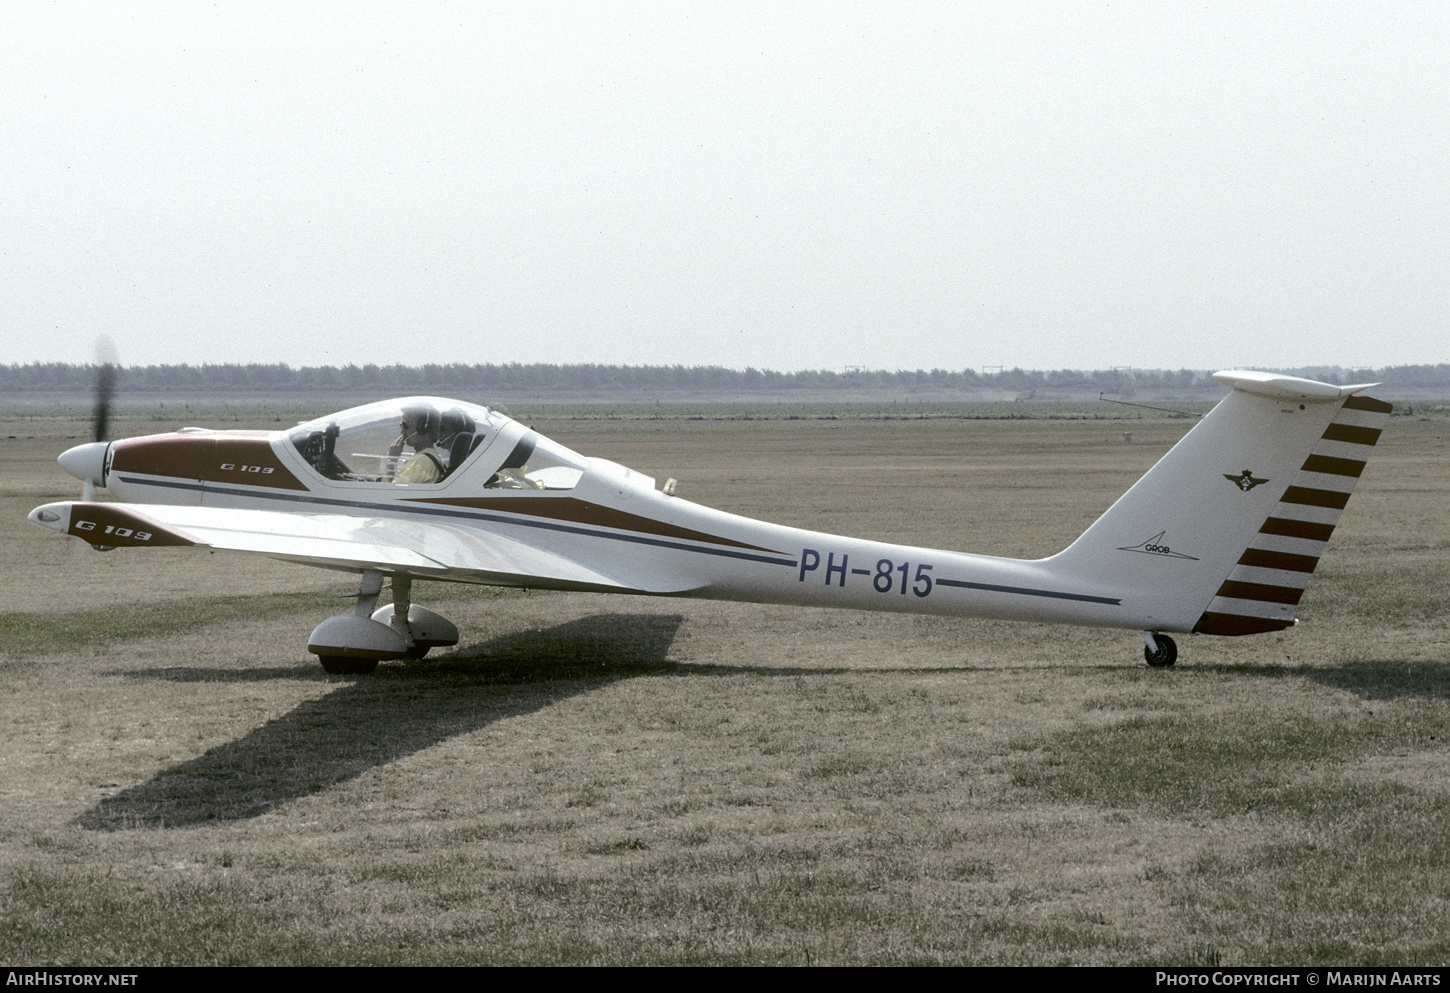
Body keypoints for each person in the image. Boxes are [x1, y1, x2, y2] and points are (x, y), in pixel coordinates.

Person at [387, 405, 447, 484]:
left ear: (423, 428)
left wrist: (391, 460)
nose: (402, 431)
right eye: (401, 425)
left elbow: (391, 492)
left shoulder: (421, 461)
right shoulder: (432, 455)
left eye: (406, 425)